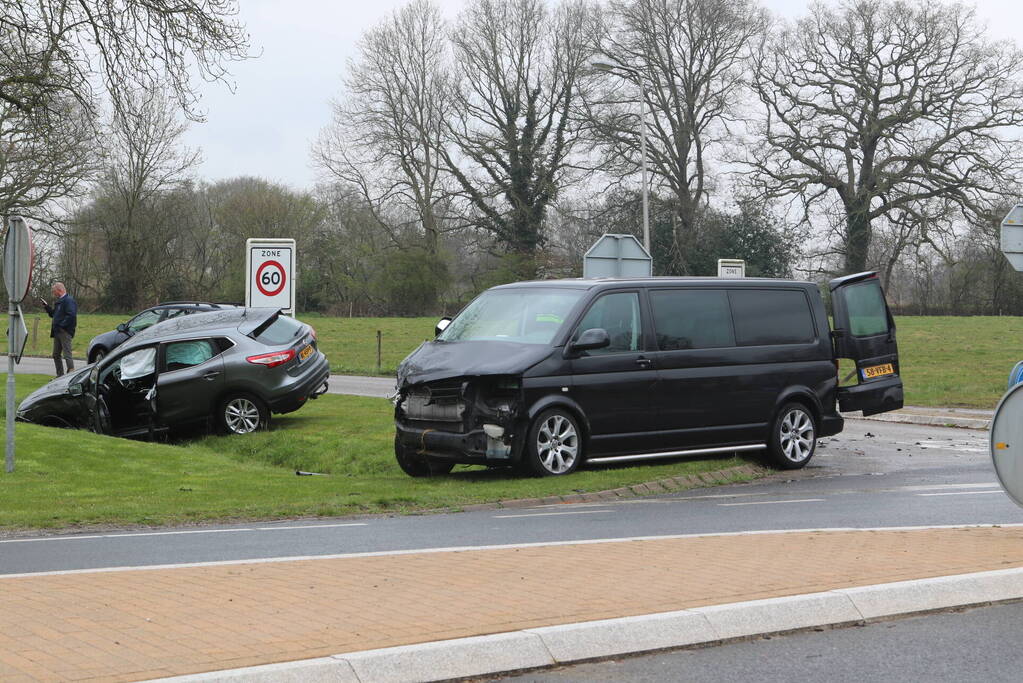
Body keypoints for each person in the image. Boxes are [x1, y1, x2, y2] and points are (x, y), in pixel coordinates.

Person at [39, 282, 78, 376]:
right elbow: (54, 314)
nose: (53, 293)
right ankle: (60, 376)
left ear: (59, 290)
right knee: (56, 354)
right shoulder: (59, 301)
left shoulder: (68, 300)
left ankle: (71, 374)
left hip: (64, 331)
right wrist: (47, 307)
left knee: (67, 354)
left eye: (54, 291)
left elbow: (71, 315)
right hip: (57, 332)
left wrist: (62, 325)